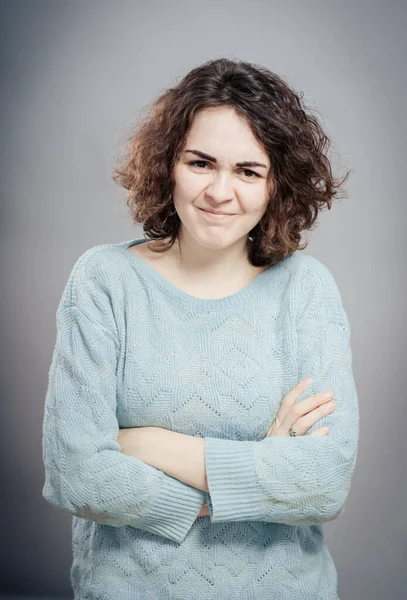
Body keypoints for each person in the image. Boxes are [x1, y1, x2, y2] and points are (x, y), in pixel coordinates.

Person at [41, 57, 359, 599]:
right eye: (201, 163)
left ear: (278, 184)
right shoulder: (105, 281)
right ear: (168, 163)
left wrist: (145, 443)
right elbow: (76, 473)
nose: (220, 191)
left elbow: (323, 483)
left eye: (249, 171)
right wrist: (255, 472)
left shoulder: (307, 290)